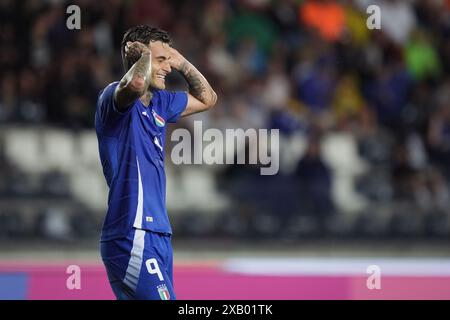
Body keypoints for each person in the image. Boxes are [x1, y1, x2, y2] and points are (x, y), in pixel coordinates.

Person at [95, 25, 217, 300]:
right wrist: (143, 59)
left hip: (158, 233)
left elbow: (208, 99)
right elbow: (136, 83)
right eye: (161, 60)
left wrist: (181, 61)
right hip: (132, 231)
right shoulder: (113, 98)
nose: (168, 68)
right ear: (139, 57)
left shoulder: (161, 103)